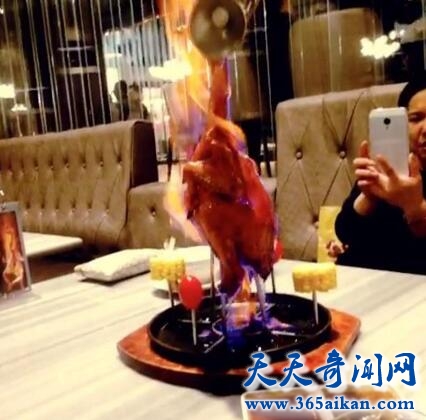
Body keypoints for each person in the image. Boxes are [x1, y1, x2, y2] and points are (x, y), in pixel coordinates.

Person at [335, 77, 426, 274]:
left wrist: (415, 208)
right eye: (416, 118)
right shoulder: (385, 168)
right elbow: (345, 231)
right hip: (359, 280)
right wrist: (369, 197)